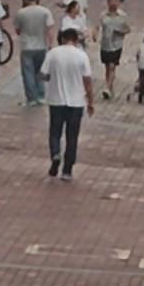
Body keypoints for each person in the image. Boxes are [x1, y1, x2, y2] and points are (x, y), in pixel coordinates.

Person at [42, 24, 94, 180]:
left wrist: (52, 77)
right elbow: (87, 81)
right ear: (76, 40)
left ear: (63, 39)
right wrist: (90, 101)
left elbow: (43, 74)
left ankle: (55, 154)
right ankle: (67, 170)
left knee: (55, 132)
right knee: (72, 136)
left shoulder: (53, 53)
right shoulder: (82, 56)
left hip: (56, 100)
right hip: (76, 102)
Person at [15, 0, 55, 105]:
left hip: (26, 46)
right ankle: (41, 95)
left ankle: (31, 97)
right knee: (40, 71)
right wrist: (50, 44)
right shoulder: (45, 12)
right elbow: (50, 29)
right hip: (41, 45)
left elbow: (18, 30)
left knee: (28, 72)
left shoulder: (21, 12)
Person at [96, 0, 131, 99]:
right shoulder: (103, 15)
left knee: (112, 66)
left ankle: (107, 87)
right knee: (107, 68)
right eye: (112, 1)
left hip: (117, 45)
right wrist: (94, 34)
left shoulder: (123, 16)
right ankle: (110, 88)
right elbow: (98, 27)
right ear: (108, 2)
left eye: (116, 1)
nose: (114, 3)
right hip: (105, 45)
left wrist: (120, 32)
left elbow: (127, 29)